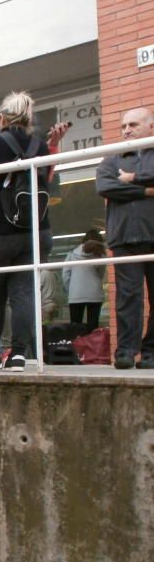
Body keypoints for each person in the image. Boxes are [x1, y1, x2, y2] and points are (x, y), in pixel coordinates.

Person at [0, 91, 70, 371]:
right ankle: (19, 354)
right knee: (23, 293)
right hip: (34, 230)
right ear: (29, 118)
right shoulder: (39, 145)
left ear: (1, 117)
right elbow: (47, 179)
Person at [95, 106, 154, 369]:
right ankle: (126, 351)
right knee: (128, 297)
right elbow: (105, 186)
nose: (127, 130)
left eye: (133, 125)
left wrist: (133, 179)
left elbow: (119, 186)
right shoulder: (112, 160)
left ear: (150, 127)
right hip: (124, 237)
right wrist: (146, 191)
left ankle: (151, 352)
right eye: (124, 126)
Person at [62, 230, 106, 331]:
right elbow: (101, 274)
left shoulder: (72, 254)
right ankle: (92, 346)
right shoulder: (100, 256)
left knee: (75, 327)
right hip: (95, 294)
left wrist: (71, 289)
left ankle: (77, 345)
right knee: (93, 327)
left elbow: (65, 275)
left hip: (76, 294)